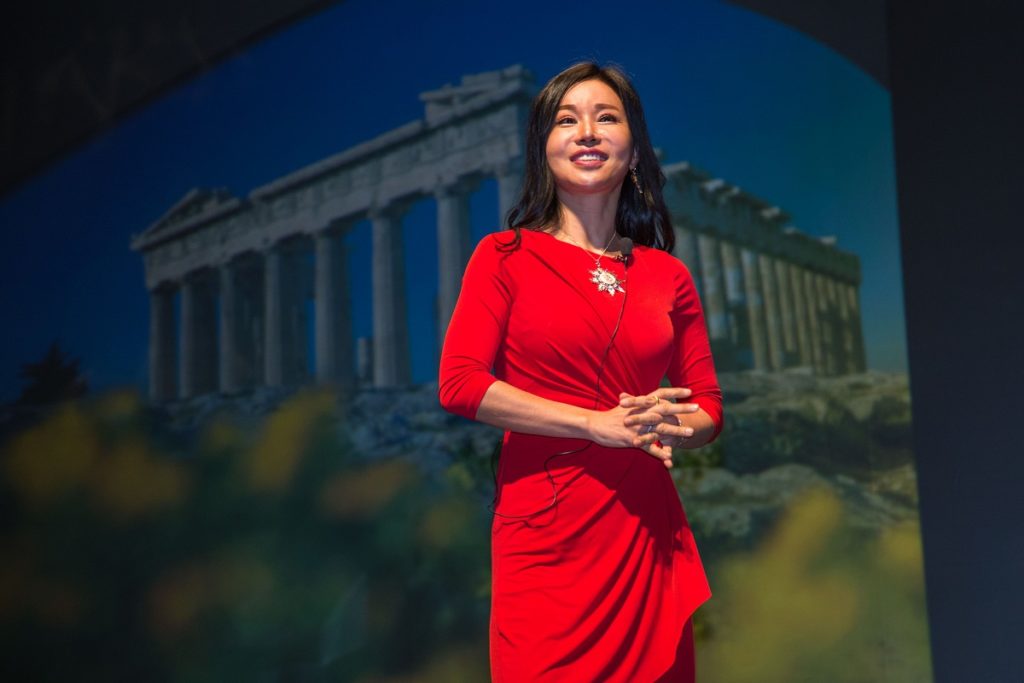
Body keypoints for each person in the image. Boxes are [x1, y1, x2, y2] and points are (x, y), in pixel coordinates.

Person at [438, 62, 723, 683]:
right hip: (544, 538)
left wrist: (666, 425)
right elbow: (459, 383)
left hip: (644, 534)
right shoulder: (502, 257)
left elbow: (707, 405)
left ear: (634, 151)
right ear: (544, 149)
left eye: (606, 117)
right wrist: (595, 424)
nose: (588, 131)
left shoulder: (667, 275)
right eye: (567, 120)